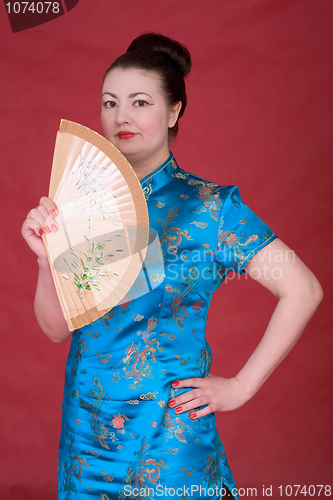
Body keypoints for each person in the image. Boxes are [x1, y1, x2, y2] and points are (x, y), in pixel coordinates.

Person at [21, 33, 323, 500]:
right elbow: (58, 329)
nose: (120, 116)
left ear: (174, 111)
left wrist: (241, 386)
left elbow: (303, 289)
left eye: (139, 102)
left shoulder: (210, 208)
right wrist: (46, 263)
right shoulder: (80, 203)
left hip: (168, 441)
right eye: (109, 103)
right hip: (85, 440)